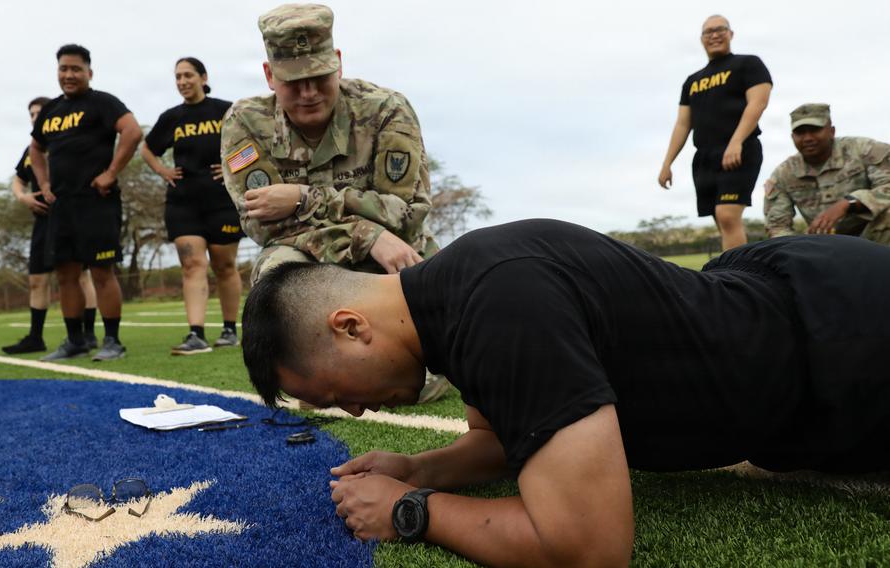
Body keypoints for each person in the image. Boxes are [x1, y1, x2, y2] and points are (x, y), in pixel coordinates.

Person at [241, 219, 890, 567]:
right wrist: (418, 466)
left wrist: (414, 508)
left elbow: (588, 550)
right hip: (783, 299)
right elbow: (503, 438)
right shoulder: (455, 294)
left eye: (334, 395)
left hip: (848, 338)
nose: (355, 413)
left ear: (350, 328)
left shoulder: (500, 308)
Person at [221, 3, 446, 403]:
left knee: (416, 387)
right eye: (294, 81)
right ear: (270, 76)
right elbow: (264, 226)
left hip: (390, 263)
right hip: (312, 270)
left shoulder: (385, 109)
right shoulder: (245, 123)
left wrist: (303, 198)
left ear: (338, 63)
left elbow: (407, 215)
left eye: (319, 77)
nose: (309, 93)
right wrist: (364, 232)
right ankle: (313, 373)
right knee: (277, 269)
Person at [30, 44, 143, 361]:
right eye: (63, 68)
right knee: (65, 274)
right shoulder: (50, 110)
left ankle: (112, 340)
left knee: (101, 271)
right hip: (61, 205)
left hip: (96, 201)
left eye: (75, 69)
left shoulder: (102, 103)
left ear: (88, 72)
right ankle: (75, 340)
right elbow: (35, 150)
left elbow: (132, 132)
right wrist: (43, 183)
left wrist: (110, 173)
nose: (69, 74)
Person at [141, 57, 243, 355]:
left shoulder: (226, 110)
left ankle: (229, 330)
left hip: (222, 202)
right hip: (183, 202)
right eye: (178, 77)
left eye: (188, 75)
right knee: (192, 264)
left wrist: (230, 169)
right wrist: (163, 171)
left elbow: (253, 147)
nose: (183, 81)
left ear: (203, 77)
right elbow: (148, 149)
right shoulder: (171, 117)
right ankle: (196, 334)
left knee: (224, 265)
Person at [658, 14, 772, 251]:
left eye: (720, 29)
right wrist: (667, 163)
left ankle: (736, 277)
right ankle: (736, 267)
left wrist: (736, 141)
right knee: (720, 220)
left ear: (731, 34)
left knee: (728, 215)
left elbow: (758, 103)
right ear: (702, 39)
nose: (715, 35)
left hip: (739, 150)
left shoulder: (749, 64)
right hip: (705, 157)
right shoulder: (692, 81)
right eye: (708, 32)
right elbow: (682, 124)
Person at [2, 97, 99, 355]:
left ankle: (87, 334)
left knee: (80, 275)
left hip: (70, 217)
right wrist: (23, 197)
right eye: (31, 114)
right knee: (37, 280)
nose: (35, 117)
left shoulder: (66, 143)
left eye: (40, 113)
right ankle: (36, 337)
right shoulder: (30, 150)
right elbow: (18, 180)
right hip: (42, 223)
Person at [764, 103, 890, 243]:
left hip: (874, 238)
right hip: (825, 245)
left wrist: (849, 203)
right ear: (792, 137)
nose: (808, 138)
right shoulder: (783, 174)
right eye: (800, 133)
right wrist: (799, 250)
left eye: (815, 130)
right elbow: (777, 226)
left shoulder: (865, 150)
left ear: (832, 131)